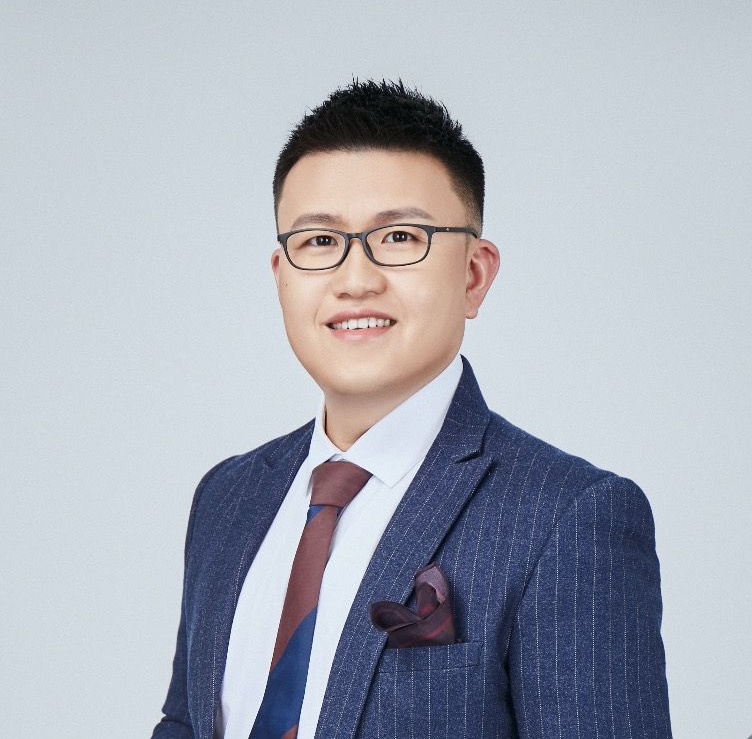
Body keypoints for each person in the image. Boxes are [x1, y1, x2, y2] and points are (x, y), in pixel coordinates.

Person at [151, 79, 672, 739]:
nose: (355, 279)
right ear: (281, 275)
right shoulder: (228, 497)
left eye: (400, 236)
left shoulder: (568, 516)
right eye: (320, 242)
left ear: (474, 275)